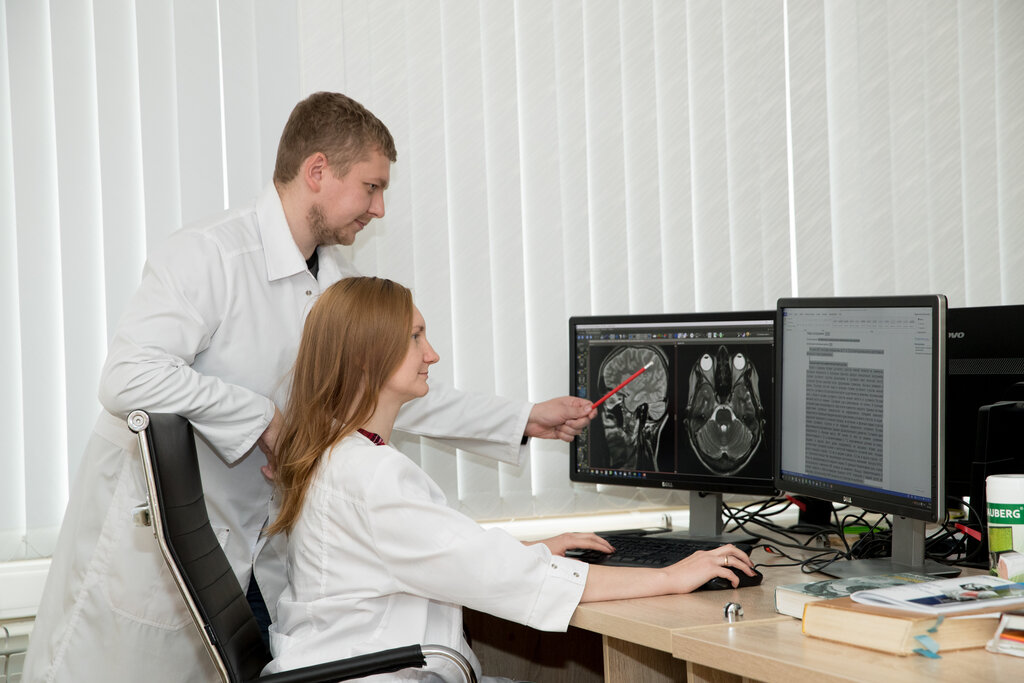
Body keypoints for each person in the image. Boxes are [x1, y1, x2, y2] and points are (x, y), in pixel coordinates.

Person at [23, 92, 592, 683]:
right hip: (154, 556)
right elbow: (128, 375)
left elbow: (382, 387)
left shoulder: (334, 282)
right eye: (372, 187)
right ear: (318, 171)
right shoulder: (210, 256)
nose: (379, 209)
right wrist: (262, 417)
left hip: (253, 561)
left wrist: (524, 418)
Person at [263, 277, 757, 680]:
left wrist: (536, 548)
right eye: (415, 337)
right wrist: (671, 576)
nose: (432, 354)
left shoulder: (337, 453)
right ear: (366, 356)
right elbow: (504, 578)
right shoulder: (369, 476)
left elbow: (437, 553)